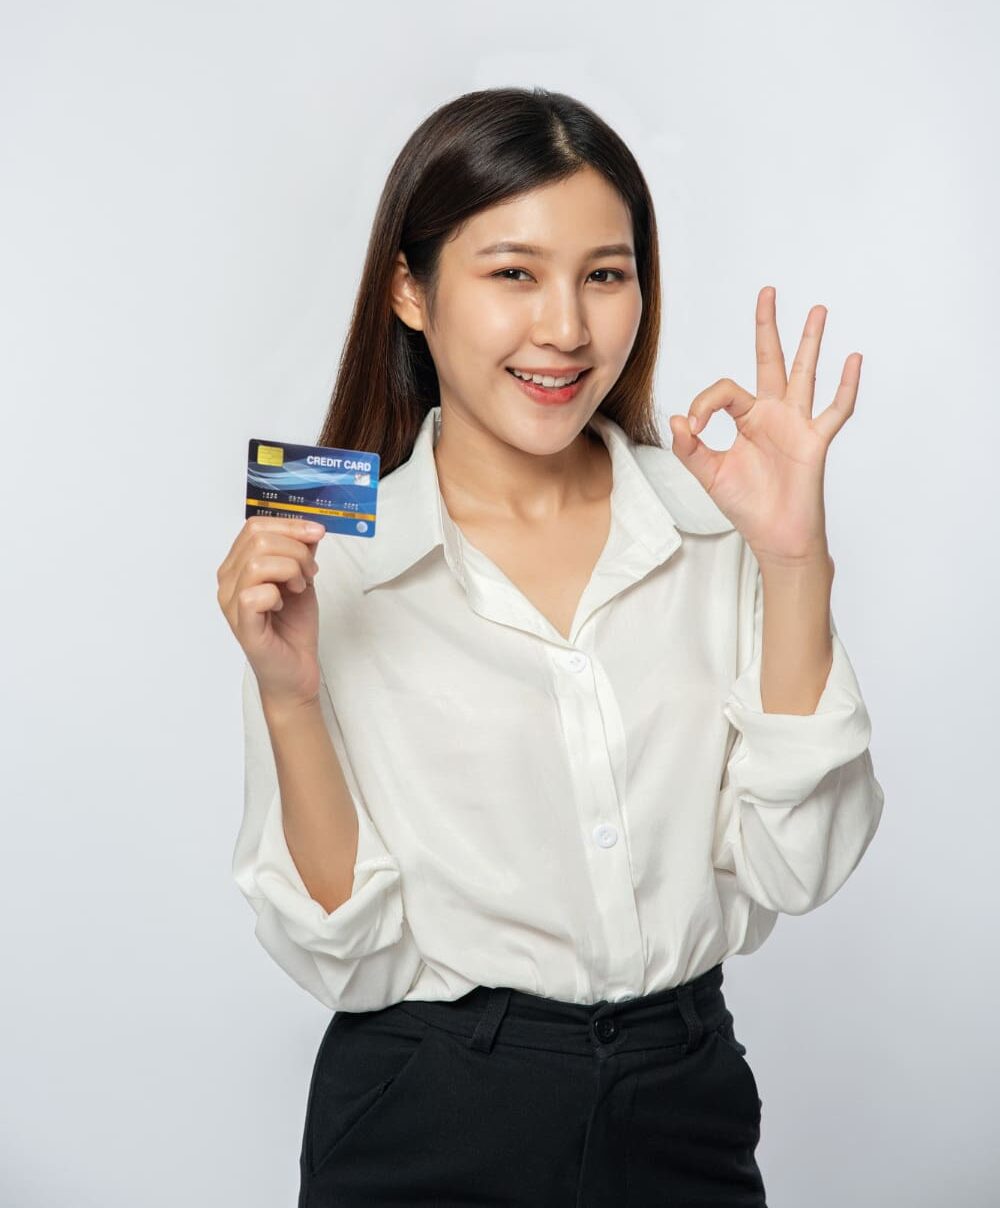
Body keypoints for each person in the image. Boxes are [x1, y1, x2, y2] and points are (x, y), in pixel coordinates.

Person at [216, 86, 885, 1207]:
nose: (566, 328)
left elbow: (796, 865)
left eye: (605, 273)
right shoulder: (328, 564)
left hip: (683, 1099)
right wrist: (288, 697)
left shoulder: (712, 524)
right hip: (427, 1110)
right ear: (410, 290)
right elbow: (348, 954)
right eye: (512, 272)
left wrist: (794, 560)